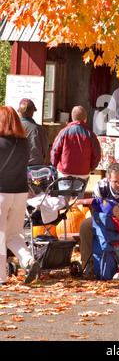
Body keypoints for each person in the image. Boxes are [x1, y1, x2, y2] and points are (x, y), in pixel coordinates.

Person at [0, 106, 40, 285]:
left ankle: (1, 277)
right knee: (14, 235)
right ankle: (28, 260)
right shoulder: (24, 143)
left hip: (2, 193)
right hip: (20, 193)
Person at [50, 106, 101, 197]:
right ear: (85, 119)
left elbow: (55, 151)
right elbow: (97, 155)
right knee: (77, 202)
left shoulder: (63, 132)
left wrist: (55, 166)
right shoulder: (90, 134)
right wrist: (90, 168)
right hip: (83, 173)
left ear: (72, 118)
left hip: (64, 172)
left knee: (63, 201)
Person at [92, 197, 119, 281]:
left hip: (103, 243)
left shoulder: (102, 218)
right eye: (116, 211)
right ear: (110, 212)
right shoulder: (115, 220)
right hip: (115, 246)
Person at [18, 98, 49, 166]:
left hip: (18, 165)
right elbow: (45, 149)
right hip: (36, 166)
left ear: (19, 112)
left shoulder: (14, 128)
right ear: (33, 112)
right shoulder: (40, 129)